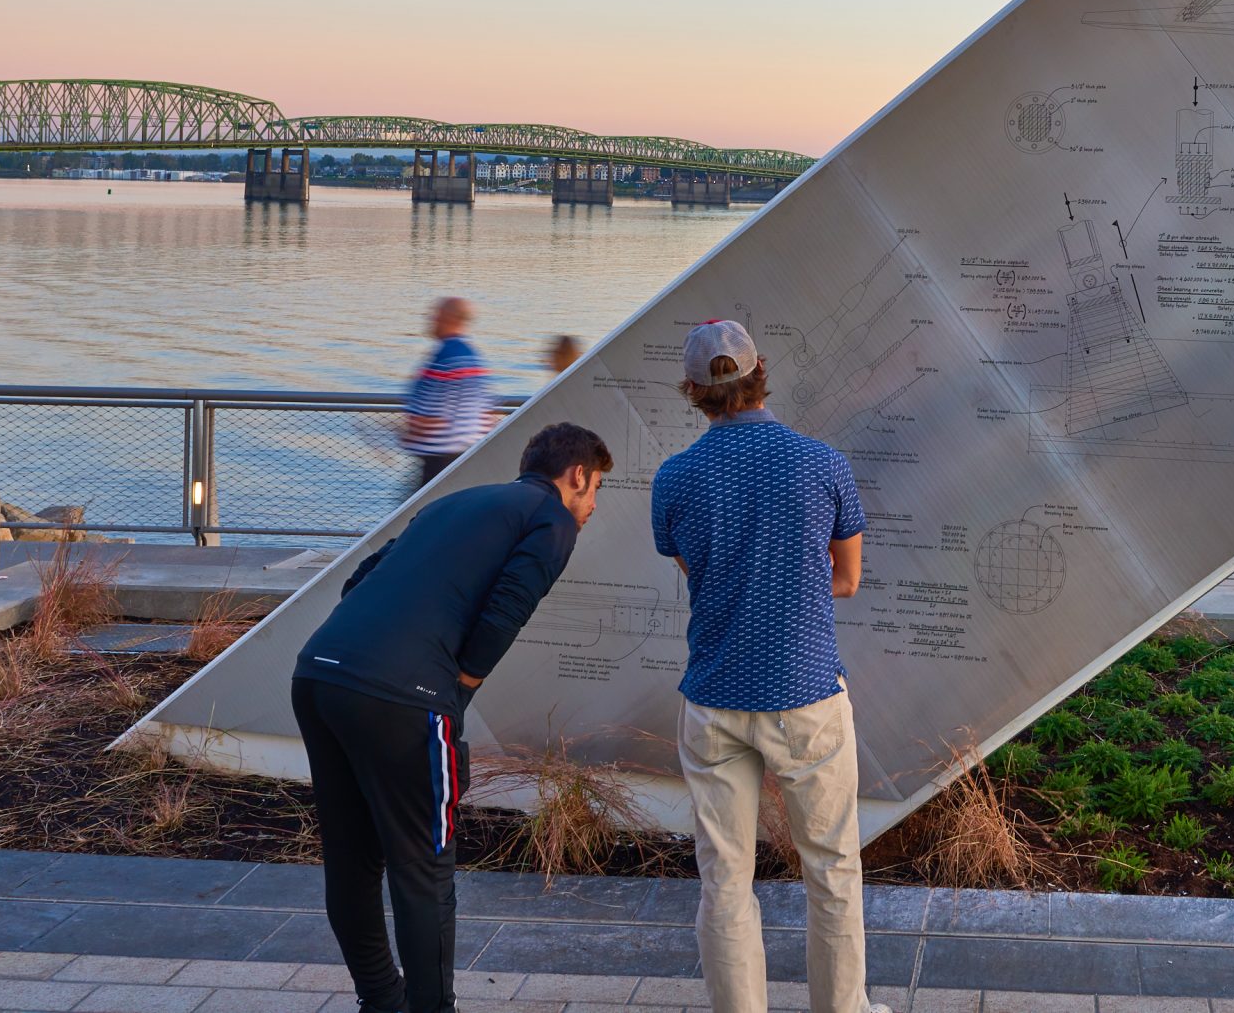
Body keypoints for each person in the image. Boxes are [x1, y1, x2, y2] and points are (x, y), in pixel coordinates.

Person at [293, 420, 611, 1013]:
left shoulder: (457, 501)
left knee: (352, 857)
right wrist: (456, 691)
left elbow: (359, 580)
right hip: (403, 696)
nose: (592, 507)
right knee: (423, 868)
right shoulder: (553, 520)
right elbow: (507, 610)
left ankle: (381, 1001)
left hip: (319, 672)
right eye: (595, 491)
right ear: (576, 475)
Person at [651, 319, 880, 1013]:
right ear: (761, 371)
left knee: (724, 877)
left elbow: (700, 575)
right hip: (805, 691)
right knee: (832, 869)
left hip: (716, 694)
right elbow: (847, 579)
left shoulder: (674, 477)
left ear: (693, 390)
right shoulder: (823, 462)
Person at [402, 297, 494, 482]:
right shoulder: (474, 358)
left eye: (435, 316)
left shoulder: (441, 360)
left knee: (419, 509)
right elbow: (487, 417)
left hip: (438, 464)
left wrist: (405, 436)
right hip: (467, 460)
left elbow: (423, 421)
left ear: (448, 319)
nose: (431, 321)